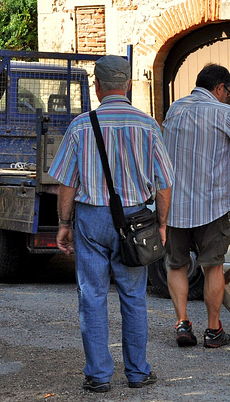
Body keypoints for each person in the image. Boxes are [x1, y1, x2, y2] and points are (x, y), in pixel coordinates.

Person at [49, 55, 174, 393]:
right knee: (134, 295)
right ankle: (137, 372)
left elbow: (66, 183)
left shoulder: (80, 126)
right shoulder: (148, 125)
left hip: (91, 217)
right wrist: (161, 224)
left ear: (98, 86)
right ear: (129, 84)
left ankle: (99, 375)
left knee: (92, 295)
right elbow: (164, 182)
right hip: (136, 219)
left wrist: (64, 223)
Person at [163, 63, 230, 348]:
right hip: (211, 206)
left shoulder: (175, 109)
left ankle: (182, 323)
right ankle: (213, 331)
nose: (227, 96)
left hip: (176, 206)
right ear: (219, 88)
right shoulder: (223, 112)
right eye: (226, 91)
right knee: (213, 268)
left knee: (177, 265)